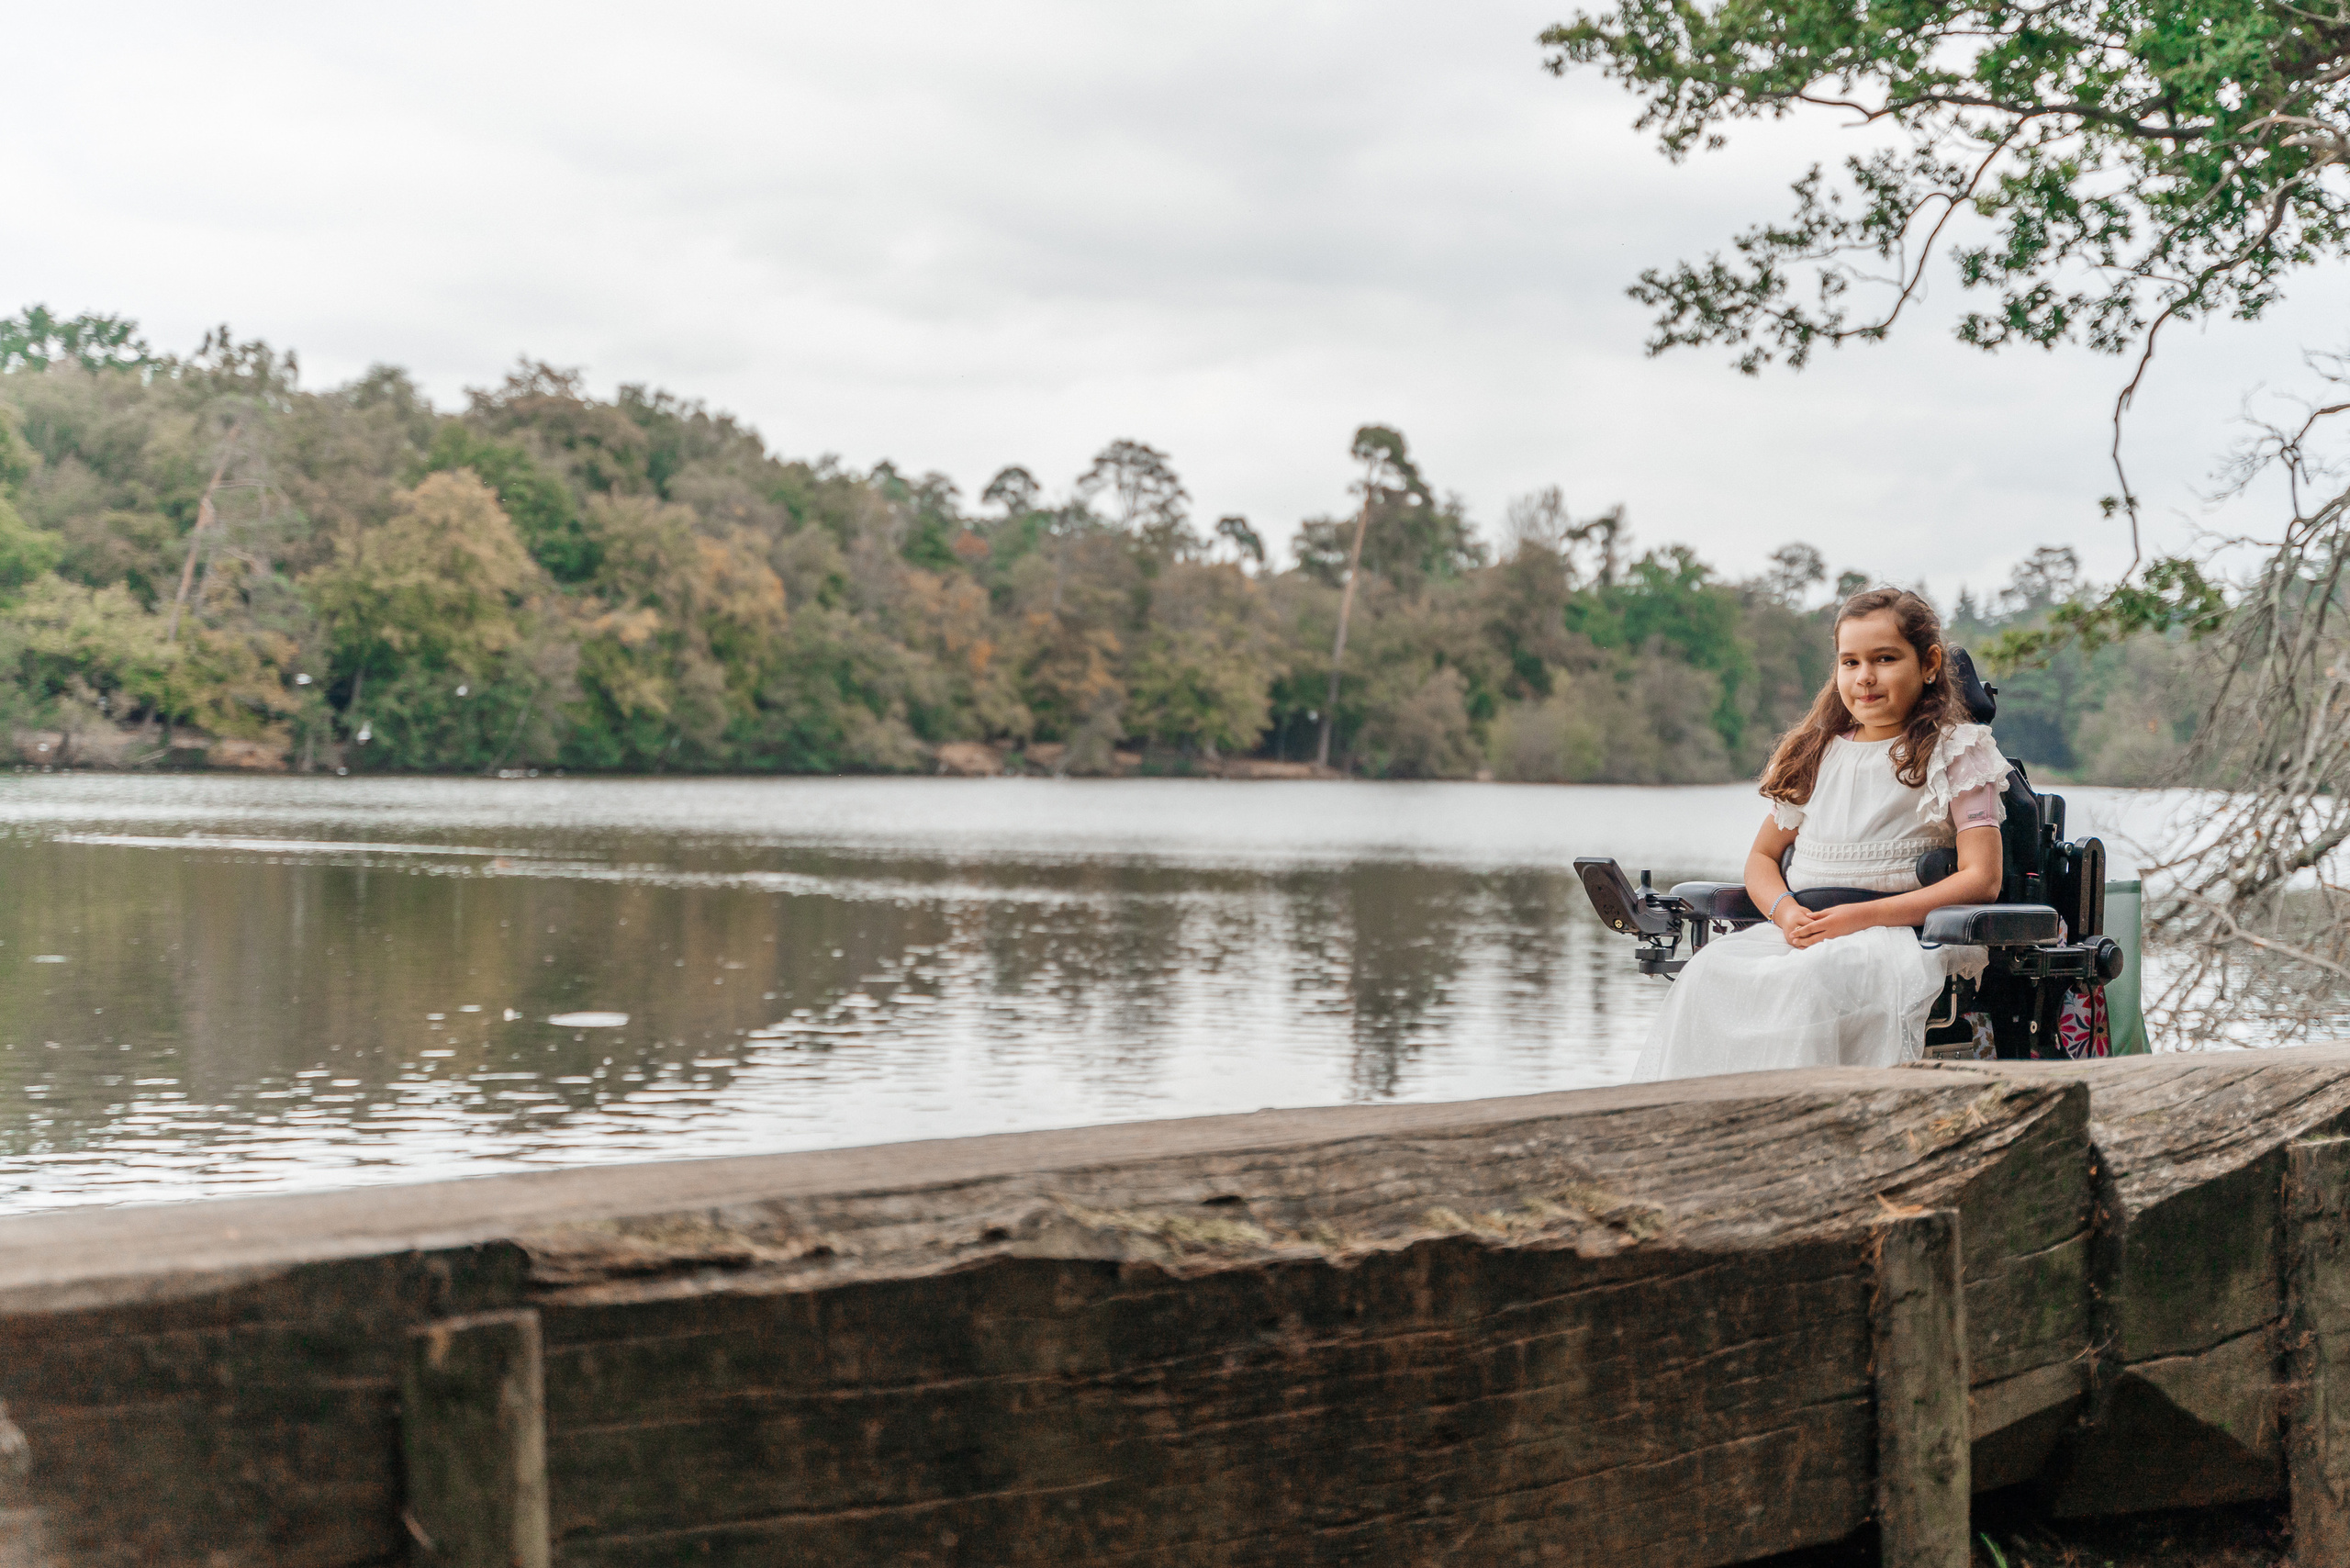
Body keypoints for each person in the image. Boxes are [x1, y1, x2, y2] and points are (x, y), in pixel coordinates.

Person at [1632, 587, 2009, 1081]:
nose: (1865, 677)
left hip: (1900, 934)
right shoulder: (1815, 753)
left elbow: (1982, 879)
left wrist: (1861, 917)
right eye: (1849, 662)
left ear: (1930, 663)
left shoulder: (1957, 751)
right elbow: (1762, 860)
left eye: (1885, 659)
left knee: (1811, 982)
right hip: (1809, 930)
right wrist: (1785, 913)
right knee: (1708, 973)